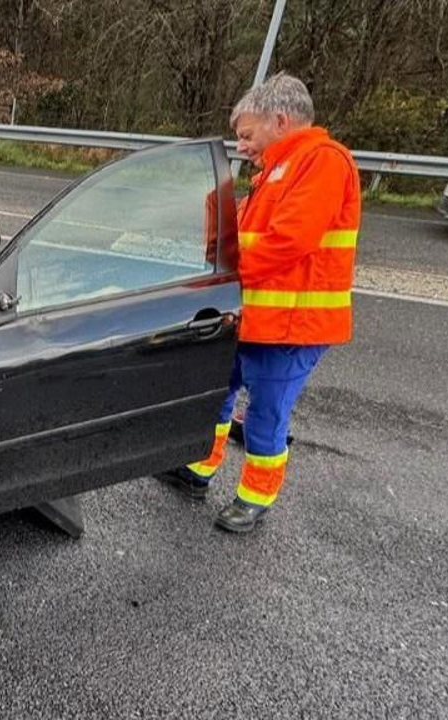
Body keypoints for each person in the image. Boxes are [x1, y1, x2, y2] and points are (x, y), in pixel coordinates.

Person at [156, 74, 360, 533]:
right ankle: (199, 469)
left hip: (292, 328)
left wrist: (223, 275)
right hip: (253, 320)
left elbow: (288, 241)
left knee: (266, 415)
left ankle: (255, 497)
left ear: (280, 121)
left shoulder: (322, 161)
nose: (241, 145)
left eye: (247, 135)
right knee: (217, 397)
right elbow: (243, 234)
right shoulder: (275, 171)